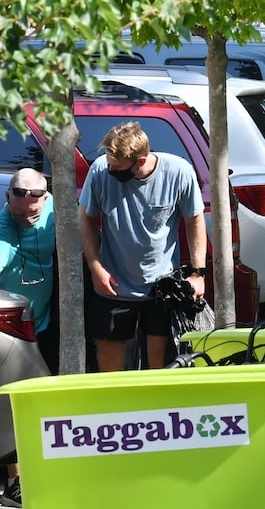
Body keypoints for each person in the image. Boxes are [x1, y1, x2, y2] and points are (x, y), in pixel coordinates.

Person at [80, 122, 207, 372]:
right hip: (113, 285)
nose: (110, 169)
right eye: (108, 162)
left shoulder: (178, 171)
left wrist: (198, 273)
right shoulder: (99, 172)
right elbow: (85, 218)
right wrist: (95, 267)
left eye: (117, 167)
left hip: (161, 287)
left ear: (140, 161)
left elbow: (195, 220)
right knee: (108, 364)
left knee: (159, 365)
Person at [0, 168, 57, 506]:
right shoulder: (0, 229)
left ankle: (52, 471)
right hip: (13, 328)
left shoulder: (56, 207)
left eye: (32, 210)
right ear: (9, 198)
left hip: (51, 319)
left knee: (51, 398)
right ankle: (15, 483)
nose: (25, 216)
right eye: (18, 209)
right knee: (16, 402)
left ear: (44, 197)